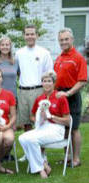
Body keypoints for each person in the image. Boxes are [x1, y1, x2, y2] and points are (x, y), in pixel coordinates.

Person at [19, 71, 70, 179]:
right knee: (22, 138)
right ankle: (44, 165)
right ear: (41, 83)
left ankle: (41, 169)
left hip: (57, 129)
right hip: (42, 127)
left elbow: (67, 121)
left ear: (54, 83)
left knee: (32, 140)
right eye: (44, 81)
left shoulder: (60, 97)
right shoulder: (40, 98)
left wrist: (51, 117)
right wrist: (39, 119)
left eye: (49, 81)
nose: (46, 84)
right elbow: (32, 116)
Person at [15, 24, 53, 161]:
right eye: (27, 34)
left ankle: (42, 154)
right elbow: (18, 72)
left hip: (38, 90)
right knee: (26, 123)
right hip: (23, 90)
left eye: (32, 34)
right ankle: (29, 153)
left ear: (37, 35)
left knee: (40, 122)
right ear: (24, 36)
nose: (30, 36)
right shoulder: (19, 53)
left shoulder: (44, 52)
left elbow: (49, 73)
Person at [54, 28, 87, 167]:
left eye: (66, 39)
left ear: (72, 39)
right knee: (65, 128)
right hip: (59, 95)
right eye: (61, 40)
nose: (64, 42)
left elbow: (83, 80)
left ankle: (76, 159)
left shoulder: (78, 58)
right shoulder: (59, 57)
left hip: (71, 95)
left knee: (74, 128)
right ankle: (68, 157)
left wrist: (68, 93)